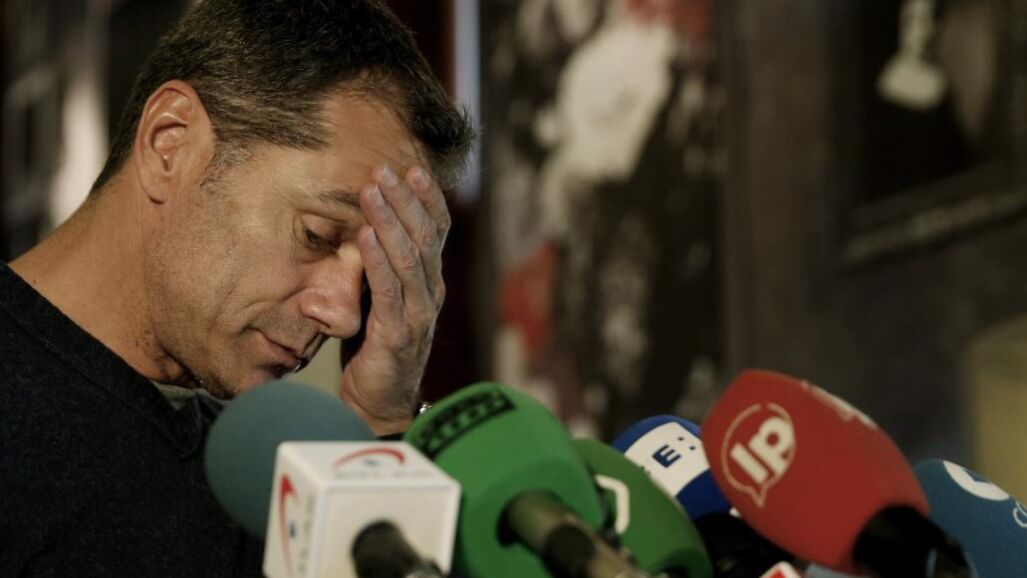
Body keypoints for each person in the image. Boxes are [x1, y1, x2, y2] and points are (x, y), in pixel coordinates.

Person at [0, 0, 474, 575]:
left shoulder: (254, 475)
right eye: (317, 235)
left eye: (374, 274)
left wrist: (378, 421)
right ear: (170, 143)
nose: (345, 315)